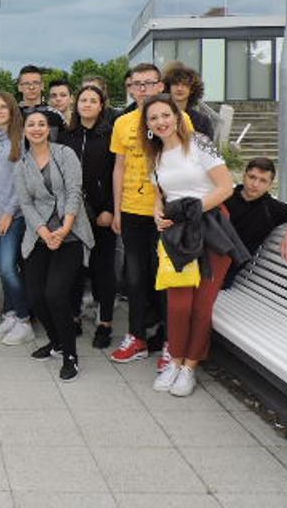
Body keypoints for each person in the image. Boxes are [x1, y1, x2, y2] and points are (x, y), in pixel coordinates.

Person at [144, 94, 250, 396]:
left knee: (202, 306)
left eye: (166, 115)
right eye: (153, 118)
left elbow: (226, 187)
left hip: (212, 229)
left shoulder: (199, 143)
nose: (161, 122)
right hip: (178, 235)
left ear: (177, 116)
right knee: (178, 306)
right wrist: (157, 214)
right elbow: (159, 196)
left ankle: (190, 367)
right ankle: (174, 361)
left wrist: (192, 210)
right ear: (148, 125)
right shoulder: (155, 156)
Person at [110, 63, 189, 365]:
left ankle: (170, 341)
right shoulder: (123, 123)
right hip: (132, 210)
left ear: (160, 86)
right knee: (134, 278)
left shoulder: (178, 119)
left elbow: (190, 162)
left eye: (149, 83)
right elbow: (119, 168)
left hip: (167, 214)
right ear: (130, 88)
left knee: (164, 277)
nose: (142, 89)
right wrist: (117, 210)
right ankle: (137, 337)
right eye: (136, 84)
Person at [14, 110, 94, 381]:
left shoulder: (65, 154)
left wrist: (65, 228)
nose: (36, 129)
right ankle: (56, 342)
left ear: (48, 129)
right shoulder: (22, 164)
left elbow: (74, 191)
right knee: (35, 296)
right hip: (39, 235)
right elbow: (25, 203)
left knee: (56, 294)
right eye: (31, 125)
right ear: (24, 130)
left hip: (70, 234)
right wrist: (44, 232)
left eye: (41, 124)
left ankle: (70, 354)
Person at [62, 84, 117, 349]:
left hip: (101, 213)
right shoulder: (66, 135)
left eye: (93, 100)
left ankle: (105, 323)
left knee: (102, 269)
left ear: (101, 105)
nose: (87, 104)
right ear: (76, 104)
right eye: (83, 100)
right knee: (74, 267)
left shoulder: (110, 135)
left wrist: (110, 208)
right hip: (73, 213)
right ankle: (73, 316)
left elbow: (116, 175)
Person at [0, 92, 34, 346]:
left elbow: (22, 181)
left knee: (7, 268)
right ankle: (11, 314)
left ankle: (24, 320)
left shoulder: (22, 138)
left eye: (3, 106)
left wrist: (9, 212)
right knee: (4, 270)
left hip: (13, 214)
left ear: (13, 110)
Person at [223, 157, 287, 263]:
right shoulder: (224, 196)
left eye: (263, 181)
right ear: (244, 176)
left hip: (227, 266)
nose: (255, 184)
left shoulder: (271, 208)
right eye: (252, 177)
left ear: (270, 185)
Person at [162, 63, 215, 139]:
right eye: (175, 84)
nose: (179, 88)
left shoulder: (202, 121)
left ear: (192, 89)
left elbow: (207, 145)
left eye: (184, 84)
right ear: (168, 87)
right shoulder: (159, 118)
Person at [17, 65, 63, 138]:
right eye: (26, 83)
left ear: (42, 86)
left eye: (35, 83)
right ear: (19, 87)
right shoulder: (12, 115)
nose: (31, 87)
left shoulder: (55, 115)